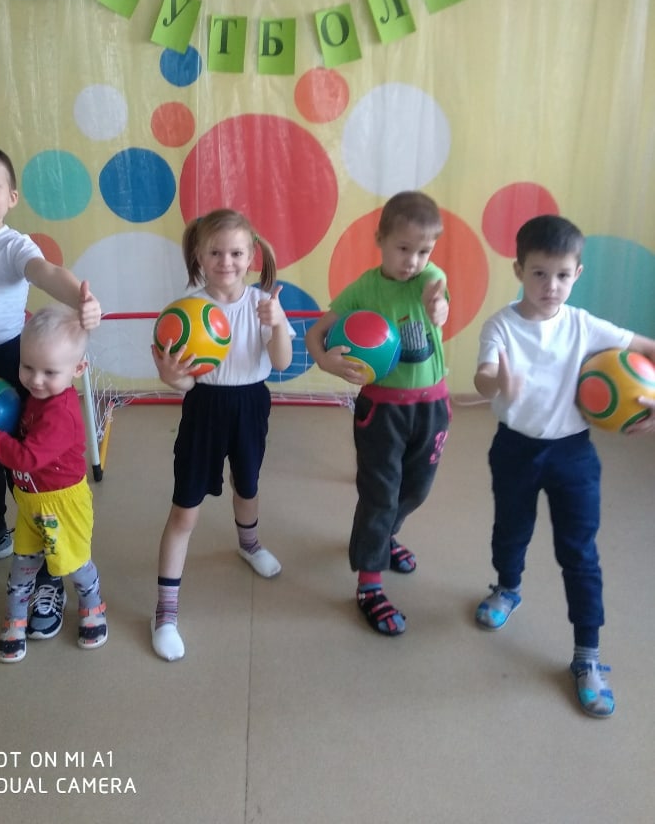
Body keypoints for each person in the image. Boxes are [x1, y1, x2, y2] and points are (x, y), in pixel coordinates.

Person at [473, 214, 655, 718]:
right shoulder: (501, 326)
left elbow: (646, 347)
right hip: (514, 449)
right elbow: (484, 375)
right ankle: (507, 588)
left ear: (578, 274)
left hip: (573, 454)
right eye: (538, 273)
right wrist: (498, 382)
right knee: (510, 530)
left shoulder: (583, 324)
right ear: (518, 270)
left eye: (562, 275)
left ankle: (587, 656)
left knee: (579, 552)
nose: (550, 286)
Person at [0, 144, 101, 646]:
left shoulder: (12, 245)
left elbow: (45, 273)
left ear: (11, 197)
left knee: (26, 468)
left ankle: (48, 571)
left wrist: (80, 299)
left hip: (9, 365)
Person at [150, 209, 295, 661]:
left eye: (236, 253)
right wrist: (170, 375)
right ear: (199, 254)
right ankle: (165, 613)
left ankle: (249, 545)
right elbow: (184, 382)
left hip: (251, 404)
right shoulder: (188, 309)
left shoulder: (263, 303)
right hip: (204, 409)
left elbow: (283, 362)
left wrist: (276, 322)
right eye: (215, 252)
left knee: (247, 485)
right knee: (185, 510)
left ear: (251, 257)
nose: (226, 261)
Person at [305, 191, 450, 637]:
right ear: (380, 240)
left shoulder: (430, 278)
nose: (413, 260)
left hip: (432, 405)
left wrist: (440, 307)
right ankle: (369, 583)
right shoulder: (364, 289)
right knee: (379, 494)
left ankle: (384, 536)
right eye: (403, 248)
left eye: (424, 250)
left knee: (416, 489)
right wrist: (326, 361)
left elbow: (439, 297)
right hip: (382, 410)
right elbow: (316, 333)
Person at [0, 305, 107, 662]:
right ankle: (15, 620)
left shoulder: (61, 414)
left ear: (78, 369)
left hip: (63, 505)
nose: (36, 380)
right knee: (23, 564)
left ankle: (93, 607)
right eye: (27, 367)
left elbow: (24, 458)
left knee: (75, 564)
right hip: (30, 501)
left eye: (49, 372)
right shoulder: (37, 397)